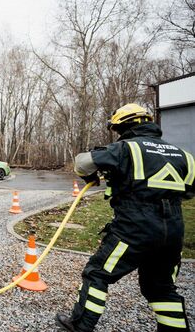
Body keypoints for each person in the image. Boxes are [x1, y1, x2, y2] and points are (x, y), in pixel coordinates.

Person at [56, 103, 193, 332]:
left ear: (124, 125)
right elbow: (189, 190)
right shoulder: (182, 155)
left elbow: (82, 163)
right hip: (174, 229)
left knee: (98, 273)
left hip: (135, 226)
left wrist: (96, 173)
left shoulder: (125, 149)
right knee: (161, 287)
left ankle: (80, 325)